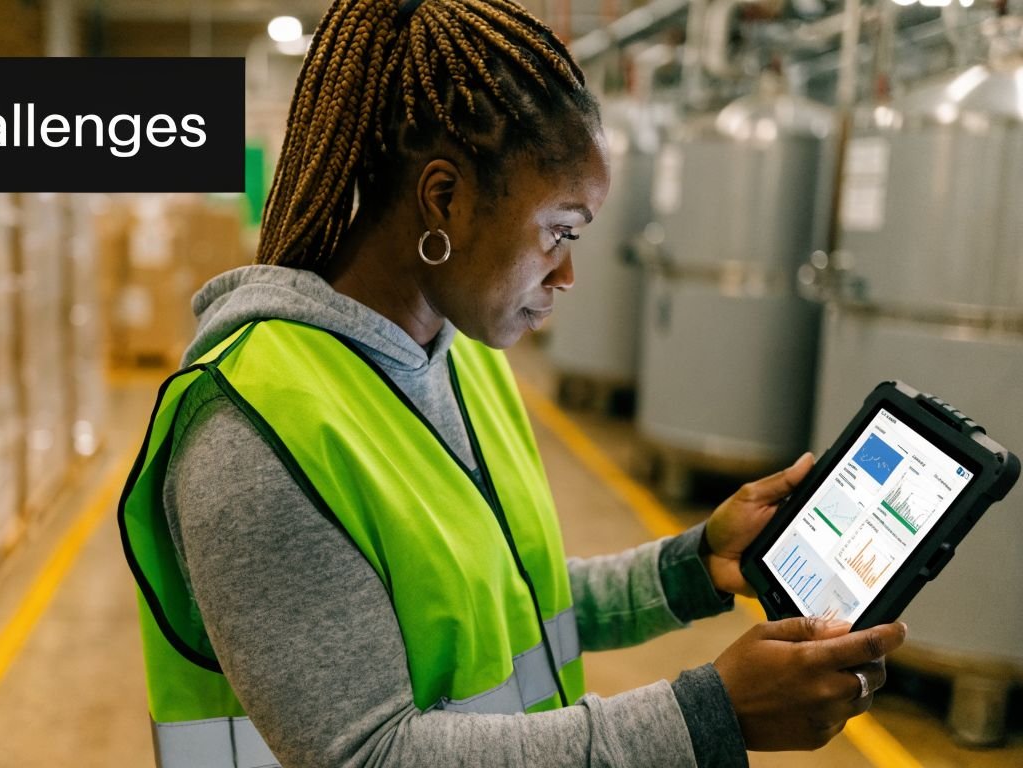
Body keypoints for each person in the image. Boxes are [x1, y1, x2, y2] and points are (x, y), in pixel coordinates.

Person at [118, 0, 907, 765]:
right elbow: (367, 752)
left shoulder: (455, 360)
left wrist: (690, 567)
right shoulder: (250, 431)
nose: (567, 273)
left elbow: (507, 601)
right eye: (558, 231)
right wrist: (708, 716)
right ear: (445, 200)